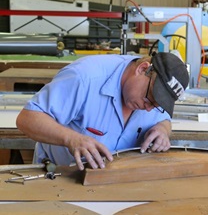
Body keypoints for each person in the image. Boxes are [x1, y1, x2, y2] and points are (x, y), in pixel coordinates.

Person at [16, 52, 189, 170]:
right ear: (142, 69)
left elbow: (164, 119)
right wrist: (72, 139)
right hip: (61, 176)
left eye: (157, 104)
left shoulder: (151, 98)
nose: (150, 108)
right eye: (149, 97)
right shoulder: (84, 77)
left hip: (116, 183)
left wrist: (163, 130)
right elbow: (27, 118)